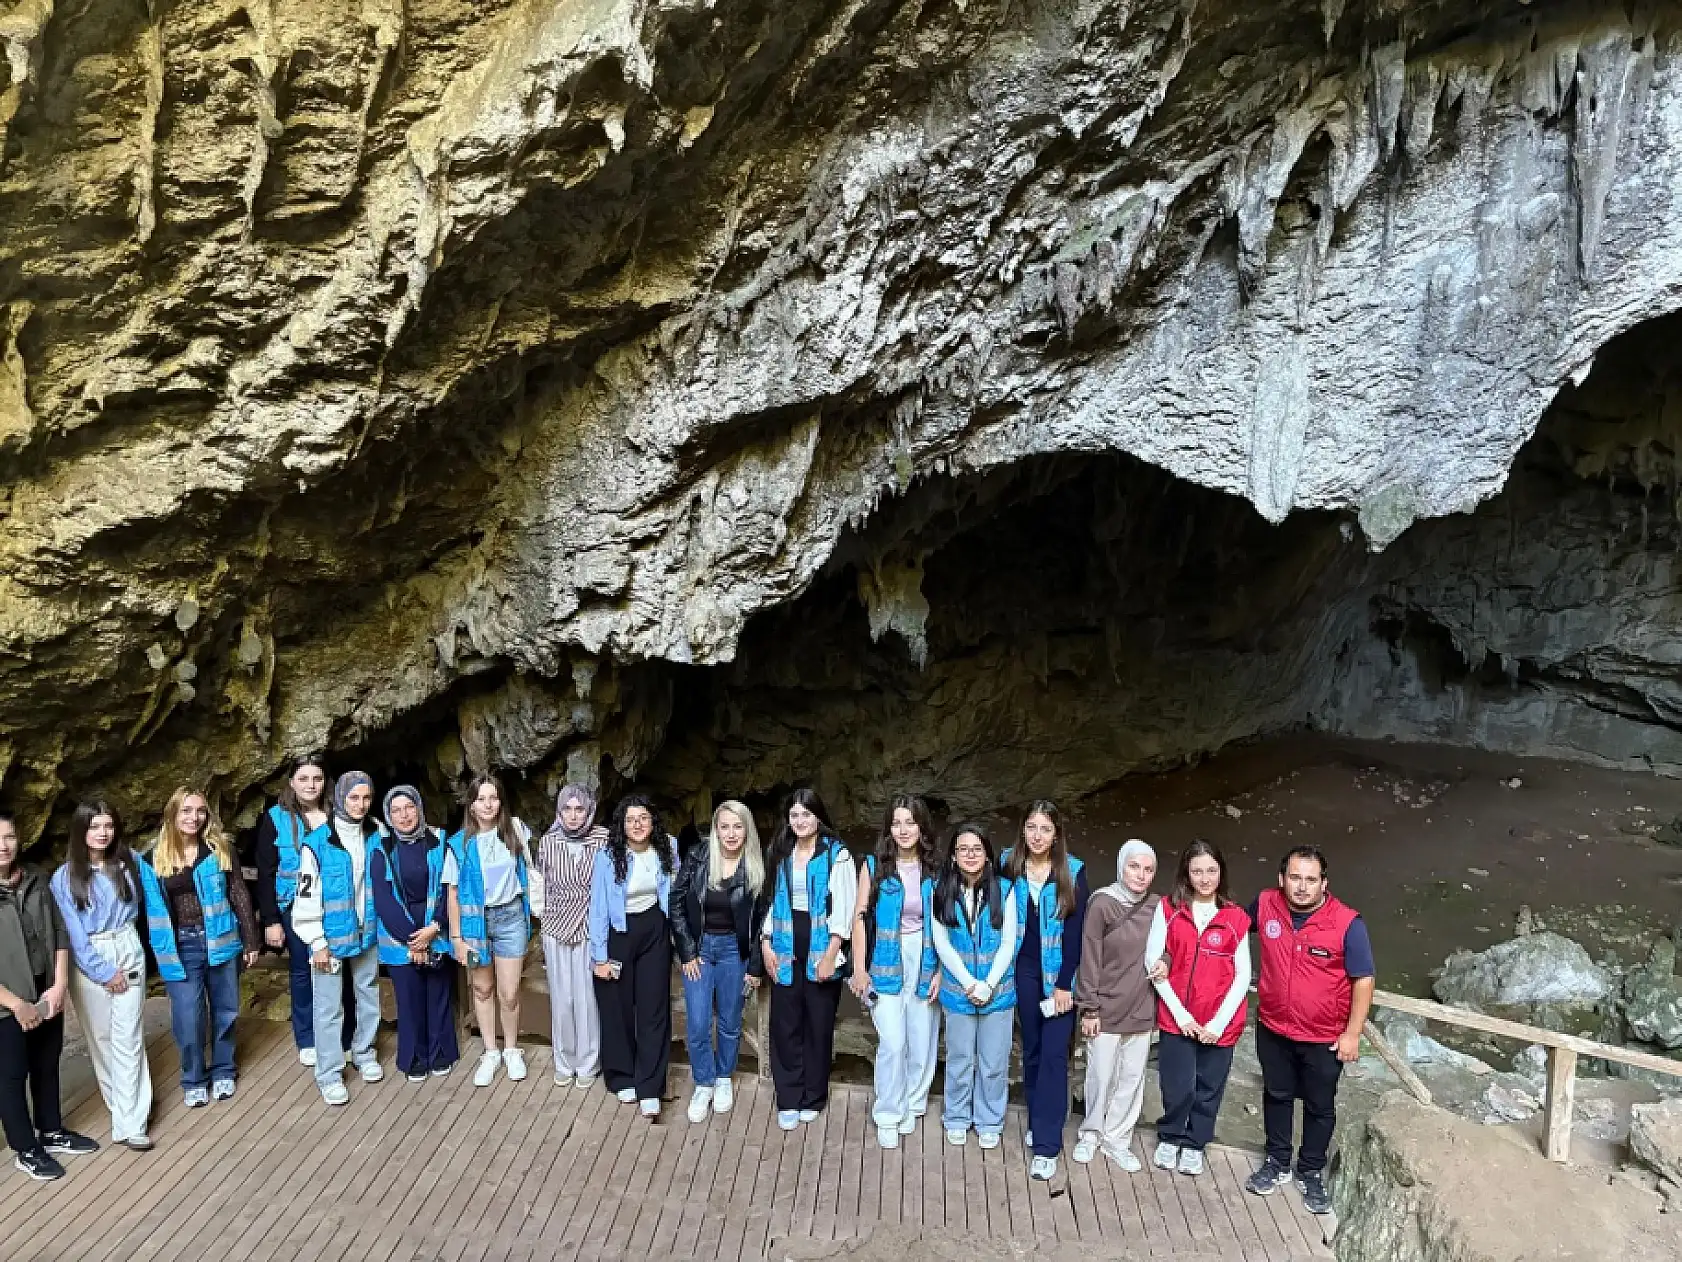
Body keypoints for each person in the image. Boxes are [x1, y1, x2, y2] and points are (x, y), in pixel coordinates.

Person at [1243, 845, 1375, 1215]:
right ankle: (1277, 1162)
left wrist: (1353, 1033)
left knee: (1320, 1106)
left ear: (1324, 883)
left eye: (1311, 880)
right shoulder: (1266, 904)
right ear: (1282, 879)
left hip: (1323, 1036)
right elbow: (1228, 926)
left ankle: (1310, 1170)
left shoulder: (1348, 923)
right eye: (1295, 878)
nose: (1302, 887)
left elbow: (1363, 979)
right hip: (1273, 1026)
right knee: (1277, 1095)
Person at [136, 788, 260, 1108]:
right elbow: (149, 910)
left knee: (226, 1010)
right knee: (188, 1016)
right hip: (181, 945)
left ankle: (223, 1070)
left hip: (221, 938)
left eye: (201, 811)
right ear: (173, 815)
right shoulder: (154, 857)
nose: (194, 818)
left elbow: (239, 893)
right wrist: (154, 955)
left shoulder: (219, 848)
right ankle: (193, 1077)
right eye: (186, 811)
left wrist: (251, 941)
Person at [50, 801, 154, 1149]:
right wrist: (102, 971)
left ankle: (132, 1121)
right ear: (81, 831)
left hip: (126, 942)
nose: (102, 833)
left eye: (108, 825)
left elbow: (149, 906)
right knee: (102, 1038)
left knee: (130, 1037)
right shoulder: (64, 878)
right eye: (95, 827)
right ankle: (120, 1108)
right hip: (90, 955)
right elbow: (73, 933)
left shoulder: (130, 864)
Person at [0, 810, 96, 1181]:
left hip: (45, 989)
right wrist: (15, 1004)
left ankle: (51, 1130)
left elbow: (59, 933)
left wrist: (58, 986)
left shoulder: (37, 878)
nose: (3, 846)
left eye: (8, 837)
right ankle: (25, 1149)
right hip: (7, 1003)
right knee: (10, 1075)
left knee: (45, 1062)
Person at [1147, 838, 1250, 1177]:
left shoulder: (1236, 918)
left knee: (1209, 1087)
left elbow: (1242, 975)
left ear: (1221, 872)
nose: (1205, 879)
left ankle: (1195, 1142)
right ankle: (1172, 1134)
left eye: (1211, 870)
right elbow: (1154, 962)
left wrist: (1217, 1024)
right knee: (1177, 1084)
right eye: (1197, 871)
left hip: (1220, 1021)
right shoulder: (1169, 909)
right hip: (1179, 1018)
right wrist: (1182, 1016)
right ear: (1185, 874)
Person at [759, 788, 858, 1131]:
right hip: (786, 941)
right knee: (785, 1023)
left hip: (821, 942)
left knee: (817, 1024)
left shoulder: (837, 855)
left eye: (807, 814)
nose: (800, 821)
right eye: (794, 815)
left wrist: (832, 954)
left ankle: (813, 1096)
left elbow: (844, 908)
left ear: (818, 816)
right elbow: (770, 900)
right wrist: (766, 942)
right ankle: (788, 1096)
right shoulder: (780, 851)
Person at [1003, 799, 1089, 1180]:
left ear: (1057, 835)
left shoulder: (1073, 871)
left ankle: (1047, 1144)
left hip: (1059, 975)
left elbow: (1076, 932)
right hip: (1022, 970)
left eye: (1046, 829)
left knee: (1056, 1053)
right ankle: (1038, 1120)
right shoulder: (1008, 863)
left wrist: (1064, 984)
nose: (1037, 836)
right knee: (1033, 1050)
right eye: (1032, 827)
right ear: (1023, 829)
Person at [849, 794, 940, 1149]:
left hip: (926, 956)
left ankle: (914, 1102)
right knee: (892, 1041)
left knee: (922, 1039)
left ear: (922, 827)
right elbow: (859, 917)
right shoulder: (874, 865)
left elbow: (948, 922)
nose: (903, 830)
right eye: (897, 822)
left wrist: (941, 973)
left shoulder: (935, 868)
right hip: (885, 958)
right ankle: (888, 1110)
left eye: (911, 822)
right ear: (888, 827)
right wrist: (858, 968)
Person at [292, 771, 385, 1105]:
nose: (360, 805)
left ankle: (364, 1052)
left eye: (366, 798)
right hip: (330, 939)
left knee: (368, 995)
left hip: (367, 932)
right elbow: (305, 897)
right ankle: (329, 1073)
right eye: (353, 798)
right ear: (340, 798)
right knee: (329, 1007)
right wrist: (316, 941)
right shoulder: (317, 843)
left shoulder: (376, 833)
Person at [672, 800, 765, 1123]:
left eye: (737, 826)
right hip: (700, 948)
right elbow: (677, 902)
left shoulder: (755, 864)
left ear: (746, 829)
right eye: (724, 826)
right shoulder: (698, 856)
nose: (731, 833)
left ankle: (724, 1076)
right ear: (715, 829)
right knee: (697, 1022)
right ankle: (704, 1081)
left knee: (729, 1020)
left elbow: (762, 921)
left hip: (733, 951)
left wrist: (755, 965)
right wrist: (686, 950)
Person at [255, 755, 351, 1067]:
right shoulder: (276, 818)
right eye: (304, 779)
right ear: (292, 783)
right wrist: (270, 920)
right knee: (303, 969)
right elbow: (266, 871)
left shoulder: (340, 814)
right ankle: (307, 1037)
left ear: (326, 783)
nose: (311, 785)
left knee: (342, 965)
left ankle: (343, 1034)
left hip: (337, 904)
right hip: (293, 904)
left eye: (317, 779)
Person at [926, 821, 1017, 1150]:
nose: (970, 855)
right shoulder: (940, 889)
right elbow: (941, 941)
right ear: (953, 855)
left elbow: (1009, 942)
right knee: (960, 1058)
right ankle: (957, 1116)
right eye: (963, 849)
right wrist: (968, 982)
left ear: (988, 856)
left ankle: (990, 1119)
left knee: (994, 1061)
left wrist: (988, 984)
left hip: (999, 993)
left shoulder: (1005, 890)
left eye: (977, 849)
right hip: (957, 992)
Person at [588, 794, 679, 1118]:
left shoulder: (668, 847)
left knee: (654, 1008)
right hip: (618, 933)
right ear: (621, 825)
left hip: (655, 928)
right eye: (630, 819)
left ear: (652, 820)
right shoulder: (608, 856)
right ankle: (622, 1075)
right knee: (618, 1007)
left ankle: (650, 1085)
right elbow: (598, 907)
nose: (637, 825)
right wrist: (599, 957)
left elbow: (676, 895)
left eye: (643, 818)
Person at [445, 774, 535, 1088]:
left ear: (501, 801)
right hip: (476, 924)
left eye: (493, 798)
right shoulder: (459, 845)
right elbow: (453, 894)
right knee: (482, 989)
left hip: (511, 919)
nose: (488, 805)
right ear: (471, 806)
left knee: (509, 993)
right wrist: (456, 938)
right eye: (481, 799)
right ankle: (490, 1051)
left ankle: (511, 1049)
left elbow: (533, 871)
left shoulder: (516, 831)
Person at [1073, 838, 1158, 1172]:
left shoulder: (1157, 906)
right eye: (1133, 866)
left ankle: (1118, 1139)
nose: (1140, 875)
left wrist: (1164, 959)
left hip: (1141, 1005)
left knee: (1132, 1079)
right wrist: (1089, 1007)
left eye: (1148, 869)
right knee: (1100, 1075)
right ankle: (1091, 1134)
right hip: (1105, 1006)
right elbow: (1089, 957)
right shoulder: (1102, 904)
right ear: (1121, 866)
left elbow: (1165, 946)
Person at [371, 786, 457, 1081]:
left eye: (409, 807)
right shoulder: (381, 849)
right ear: (388, 816)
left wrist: (434, 927)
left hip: (436, 929)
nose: (404, 815)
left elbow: (449, 889)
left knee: (438, 995)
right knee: (408, 1000)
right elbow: (383, 899)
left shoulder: (439, 842)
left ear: (419, 808)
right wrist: (414, 940)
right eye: (396, 810)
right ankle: (415, 1057)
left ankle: (440, 1052)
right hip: (401, 937)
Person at [533, 784, 609, 1088]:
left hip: (591, 927)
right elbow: (540, 885)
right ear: (560, 812)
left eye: (580, 809)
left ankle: (589, 1062)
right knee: (562, 998)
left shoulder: (603, 839)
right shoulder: (548, 843)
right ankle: (564, 1061)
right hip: (555, 926)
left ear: (588, 810)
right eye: (568, 809)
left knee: (587, 998)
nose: (574, 816)